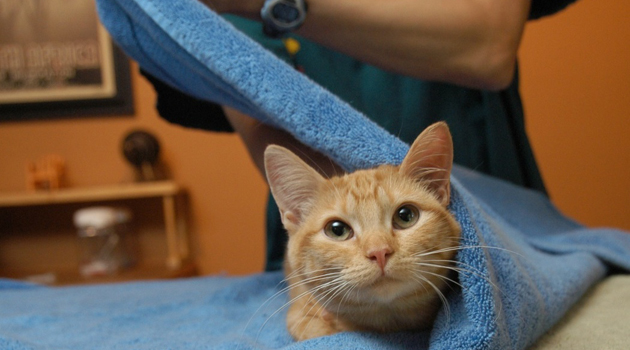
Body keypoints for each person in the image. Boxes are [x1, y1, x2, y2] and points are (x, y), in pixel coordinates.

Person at [143, 0, 577, 271]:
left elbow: (489, 47)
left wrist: (269, 2)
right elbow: (256, 111)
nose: (379, 249)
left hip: (483, 217)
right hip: (329, 249)